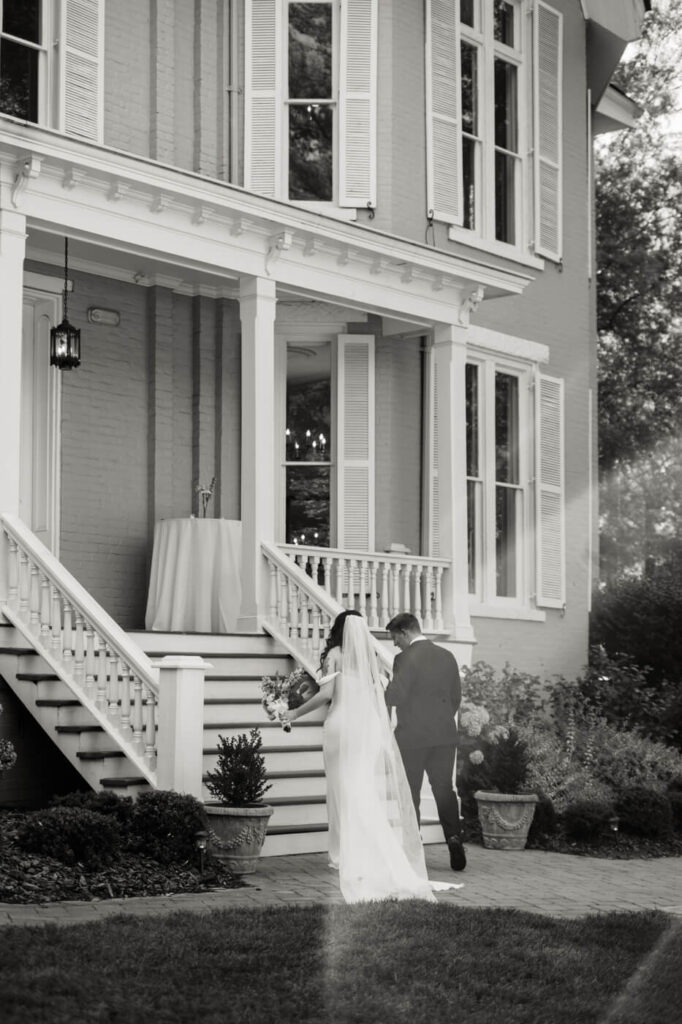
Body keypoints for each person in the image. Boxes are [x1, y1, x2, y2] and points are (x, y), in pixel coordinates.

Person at [282, 609, 436, 904]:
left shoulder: (335, 655)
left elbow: (327, 694)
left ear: (338, 629)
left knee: (341, 789)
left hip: (342, 727)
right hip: (367, 730)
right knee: (360, 788)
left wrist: (294, 712)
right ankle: (359, 852)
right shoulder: (371, 659)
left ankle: (342, 855)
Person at [384, 612, 466, 872]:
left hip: (412, 737)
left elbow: (396, 696)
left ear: (406, 632)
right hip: (444, 734)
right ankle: (454, 838)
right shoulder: (447, 656)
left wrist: (384, 686)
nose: (394, 644)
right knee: (444, 789)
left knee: (411, 792)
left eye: (395, 638)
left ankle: (413, 848)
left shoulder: (404, 658)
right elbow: (456, 698)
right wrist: (440, 720)